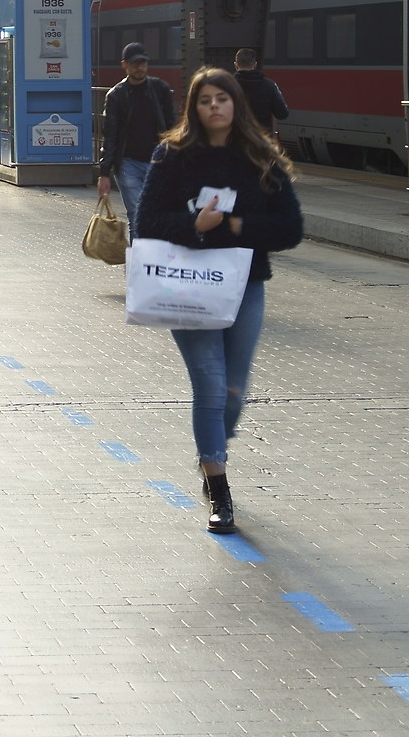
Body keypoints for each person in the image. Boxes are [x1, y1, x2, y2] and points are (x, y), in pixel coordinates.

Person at [136, 66, 305, 536]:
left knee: (232, 391)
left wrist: (234, 227)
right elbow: (146, 223)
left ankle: (211, 445)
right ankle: (220, 489)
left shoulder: (260, 157)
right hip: (188, 286)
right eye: (205, 99)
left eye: (222, 99)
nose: (214, 106)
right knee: (211, 388)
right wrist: (194, 228)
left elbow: (290, 228)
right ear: (194, 107)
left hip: (245, 286)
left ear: (236, 105)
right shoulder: (172, 156)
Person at [96, 42, 176, 228]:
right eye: (135, 64)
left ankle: (152, 254)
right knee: (137, 215)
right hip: (127, 164)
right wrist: (104, 173)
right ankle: (140, 257)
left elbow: (171, 128)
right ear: (124, 65)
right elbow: (110, 136)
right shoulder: (116, 95)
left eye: (143, 63)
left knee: (156, 212)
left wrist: (174, 160)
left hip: (157, 162)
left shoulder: (160, 89)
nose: (140, 68)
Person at [233, 48, 291, 132]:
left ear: (236, 65)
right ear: (255, 64)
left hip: (236, 139)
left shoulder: (227, 85)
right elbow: (282, 114)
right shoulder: (270, 85)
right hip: (262, 139)